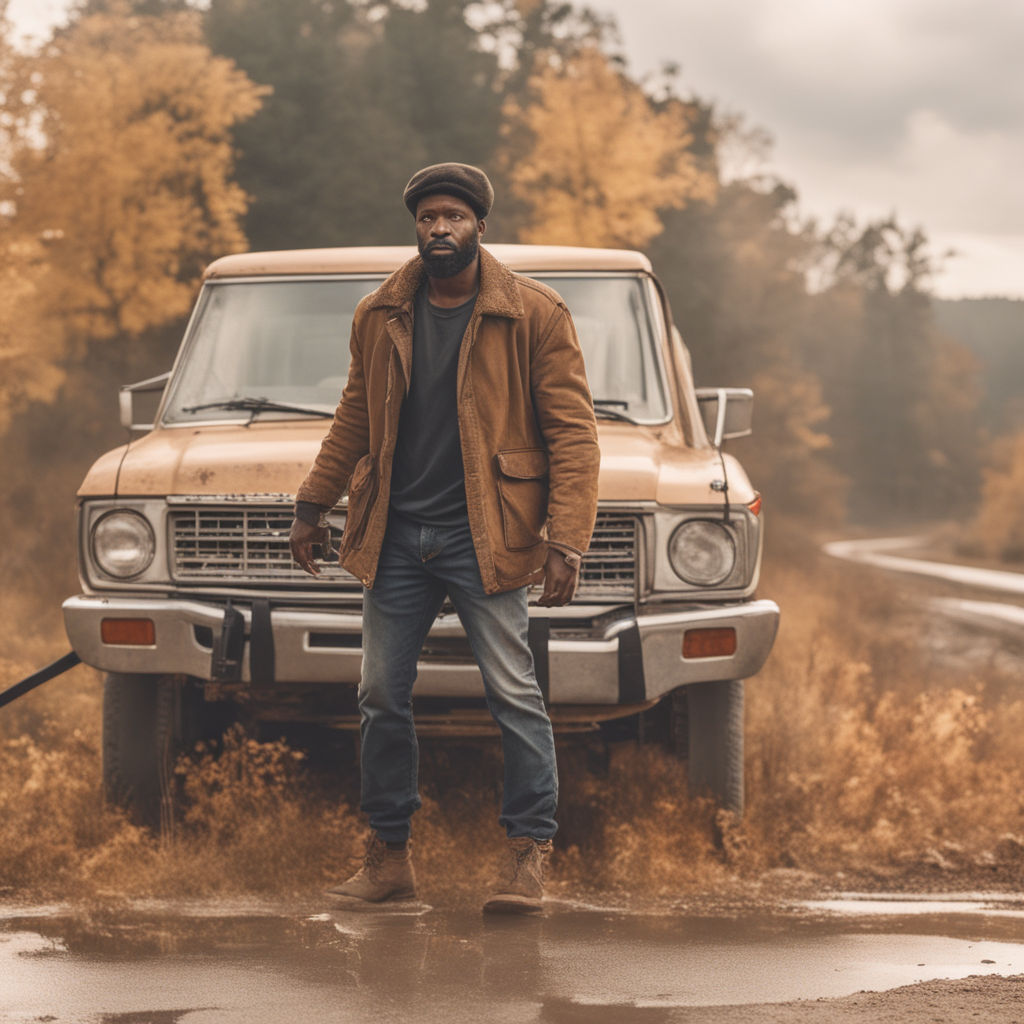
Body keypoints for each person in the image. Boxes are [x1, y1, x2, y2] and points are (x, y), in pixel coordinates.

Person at [289, 162, 600, 913]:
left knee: (513, 694)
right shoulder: (381, 312)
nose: (438, 229)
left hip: (487, 534)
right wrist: (312, 503)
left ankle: (528, 855)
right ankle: (390, 858)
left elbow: (573, 434)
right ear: (416, 227)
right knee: (378, 694)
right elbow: (355, 417)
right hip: (396, 535)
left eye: (452, 217)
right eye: (427, 218)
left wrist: (568, 538)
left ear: (480, 227)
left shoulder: (534, 313)